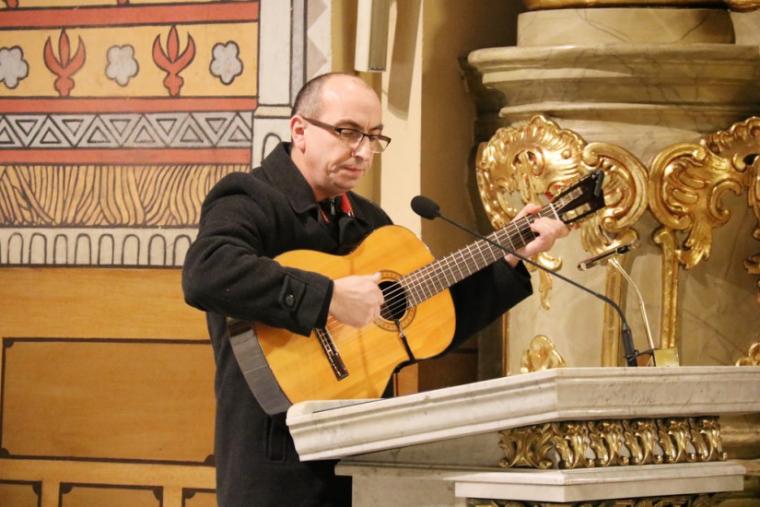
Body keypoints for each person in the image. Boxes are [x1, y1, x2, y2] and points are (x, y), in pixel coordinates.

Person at [182, 72, 568, 507]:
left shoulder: (370, 222)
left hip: (364, 458)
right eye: (348, 132)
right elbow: (206, 272)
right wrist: (329, 296)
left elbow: (428, 326)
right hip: (276, 464)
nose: (363, 152)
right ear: (300, 130)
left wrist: (509, 257)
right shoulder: (249, 198)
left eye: (374, 138)